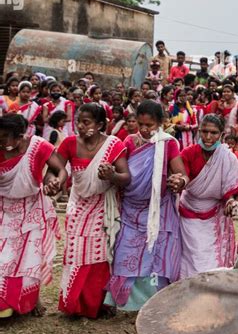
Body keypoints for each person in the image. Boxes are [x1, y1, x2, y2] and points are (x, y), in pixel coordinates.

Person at [105, 101, 188, 311]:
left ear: (161, 123)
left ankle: (154, 304)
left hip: (159, 209)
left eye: (149, 125)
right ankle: (125, 302)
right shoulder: (129, 142)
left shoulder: (168, 143)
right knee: (126, 252)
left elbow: (182, 173)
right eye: (140, 124)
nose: (144, 129)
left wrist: (179, 181)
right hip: (131, 210)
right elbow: (122, 174)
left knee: (157, 255)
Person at [55, 104, 131, 318]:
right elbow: (56, 168)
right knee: (75, 252)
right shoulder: (70, 143)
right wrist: (54, 181)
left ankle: (97, 305)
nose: (80, 126)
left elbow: (126, 178)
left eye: (86, 122)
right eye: (78, 121)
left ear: (99, 125)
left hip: (101, 207)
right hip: (78, 206)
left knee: (99, 255)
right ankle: (74, 304)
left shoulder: (113, 145)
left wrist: (112, 176)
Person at [0, 114, 67, 318]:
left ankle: (30, 300)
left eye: (4, 138)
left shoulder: (38, 146)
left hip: (31, 208)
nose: (1, 142)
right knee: (4, 257)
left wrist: (55, 182)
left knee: (30, 257)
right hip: (4, 209)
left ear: (20, 137)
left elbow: (60, 170)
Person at [179, 114, 238, 278]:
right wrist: (178, 182)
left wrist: (232, 203)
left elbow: (237, 191)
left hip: (215, 216)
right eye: (205, 132)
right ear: (199, 131)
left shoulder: (228, 158)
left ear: (222, 134)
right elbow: (182, 178)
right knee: (189, 260)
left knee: (211, 264)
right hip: (188, 215)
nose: (208, 137)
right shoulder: (188, 153)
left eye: (214, 133)